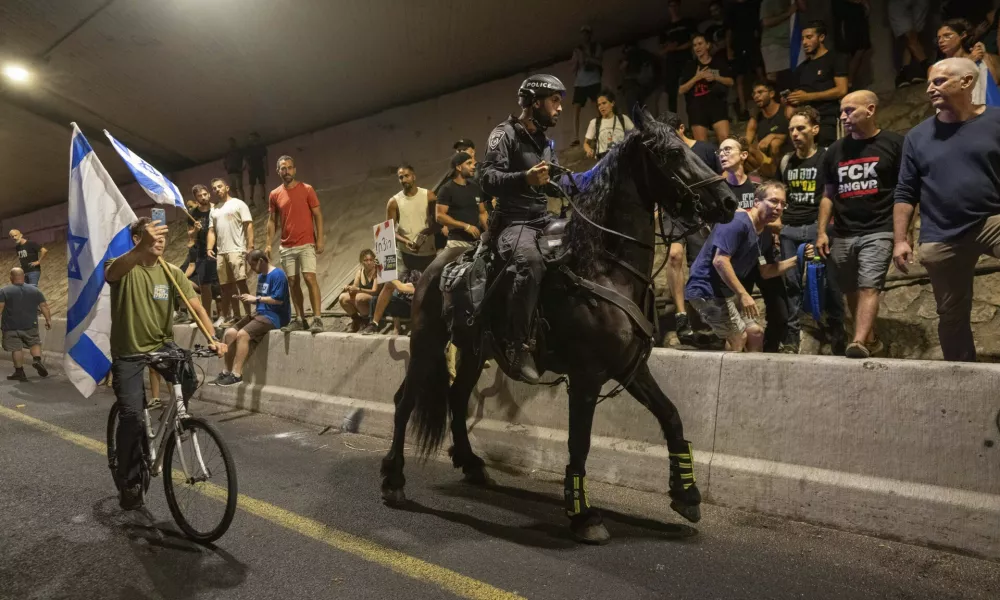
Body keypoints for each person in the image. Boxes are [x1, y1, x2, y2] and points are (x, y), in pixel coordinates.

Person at [105, 217, 224, 510]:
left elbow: (196, 306)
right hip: (129, 351)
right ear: (137, 239)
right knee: (132, 416)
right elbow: (111, 274)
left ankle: (172, 422)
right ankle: (129, 479)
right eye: (152, 236)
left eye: (162, 237)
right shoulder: (123, 267)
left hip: (161, 345)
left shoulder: (171, 273)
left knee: (189, 378)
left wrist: (214, 337)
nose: (160, 241)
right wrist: (139, 249)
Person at [893, 58, 1000, 362]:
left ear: (967, 82)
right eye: (929, 82)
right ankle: (963, 376)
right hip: (942, 231)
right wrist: (901, 239)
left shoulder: (995, 121)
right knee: (951, 314)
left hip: (992, 219)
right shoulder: (917, 136)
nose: (930, 89)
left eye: (939, 81)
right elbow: (905, 192)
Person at [480, 74, 565, 383]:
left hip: (543, 220)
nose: (559, 109)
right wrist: (524, 178)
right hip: (513, 224)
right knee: (530, 262)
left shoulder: (545, 142)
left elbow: (555, 182)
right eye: (555, 101)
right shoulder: (503, 134)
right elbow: (487, 179)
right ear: (535, 102)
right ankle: (517, 346)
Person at [816, 90, 903, 358]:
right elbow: (828, 195)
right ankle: (871, 338)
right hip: (842, 231)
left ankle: (858, 341)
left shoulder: (894, 144)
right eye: (842, 111)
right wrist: (821, 231)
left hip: (879, 228)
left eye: (850, 110)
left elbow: (905, 193)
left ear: (871, 109)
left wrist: (903, 235)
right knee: (851, 288)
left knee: (869, 284)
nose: (843, 116)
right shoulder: (834, 151)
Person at [686, 181, 808, 351]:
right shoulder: (737, 222)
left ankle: (753, 377)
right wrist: (743, 295)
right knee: (739, 337)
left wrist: (798, 259)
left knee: (756, 334)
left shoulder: (764, 234)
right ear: (756, 202)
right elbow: (720, 261)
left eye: (782, 203)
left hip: (724, 293)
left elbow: (765, 271)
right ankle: (728, 377)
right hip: (706, 290)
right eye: (773, 201)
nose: (779, 207)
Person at [777, 107, 846, 352]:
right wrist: (780, 228)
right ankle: (792, 337)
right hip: (791, 228)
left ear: (815, 130)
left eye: (801, 128)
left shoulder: (827, 157)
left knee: (830, 281)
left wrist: (826, 228)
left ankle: (838, 331)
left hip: (819, 227)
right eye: (792, 129)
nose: (795, 134)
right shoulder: (786, 160)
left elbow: (834, 193)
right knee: (791, 285)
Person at [721, 136, 792, 351]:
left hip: (764, 255)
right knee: (740, 321)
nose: (722, 154)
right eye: (720, 151)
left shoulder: (757, 186)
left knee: (780, 313)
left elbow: (776, 219)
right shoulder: (719, 190)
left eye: (727, 150)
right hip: (738, 261)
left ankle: (768, 354)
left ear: (743, 155)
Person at [663, 115, 721, 343]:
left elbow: (720, 177)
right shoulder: (666, 155)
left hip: (700, 213)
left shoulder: (705, 149)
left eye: (671, 133)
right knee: (674, 255)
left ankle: (706, 316)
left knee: (698, 264)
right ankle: (680, 315)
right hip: (675, 213)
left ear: (681, 128)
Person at [266, 155, 325, 334]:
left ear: (295, 169)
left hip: (306, 242)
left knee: (309, 278)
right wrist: (268, 243)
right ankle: (300, 319)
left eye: (290, 168)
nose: (287, 171)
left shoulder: (307, 189)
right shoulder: (275, 194)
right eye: (283, 168)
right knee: (292, 281)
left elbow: (318, 215)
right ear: (278, 171)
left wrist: (320, 238)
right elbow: (271, 220)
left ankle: (317, 318)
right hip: (286, 245)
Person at [215, 250, 290, 386]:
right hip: (260, 313)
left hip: (274, 316)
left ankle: (237, 374)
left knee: (243, 334)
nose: (251, 268)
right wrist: (248, 299)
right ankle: (226, 371)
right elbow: (261, 299)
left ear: (261, 261)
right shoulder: (261, 276)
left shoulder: (278, 275)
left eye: (252, 265)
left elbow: (278, 300)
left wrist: (256, 298)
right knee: (230, 333)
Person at [786, 21, 850, 147]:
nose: (804, 42)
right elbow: (794, 102)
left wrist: (808, 97)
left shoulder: (835, 58)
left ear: (821, 37)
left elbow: (842, 90)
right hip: (806, 124)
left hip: (828, 120)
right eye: (802, 38)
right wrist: (790, 103)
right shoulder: (800, 69)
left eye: (809, 37)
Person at [207, 178, 254, 325]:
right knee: (227, 287)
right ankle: (237, 316)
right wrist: (209, 247)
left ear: (227, 187)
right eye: (214, 188)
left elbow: (248, 225)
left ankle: (249, 315)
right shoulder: (214, 210)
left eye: (220, 186)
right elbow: (211, 231)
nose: (217, 190)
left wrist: (250, 246)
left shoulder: (238, 204)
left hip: (236, 249)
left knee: (241, 283)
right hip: (221, 252)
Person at [678, 34, 734, 142]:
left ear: (708, 45)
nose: (697, 47)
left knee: (725, 140)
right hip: (697, 108)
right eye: (694, 45)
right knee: (702, 145)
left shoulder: (718, 62)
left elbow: (730, 82)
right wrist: (697, 77)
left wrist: (715, 77)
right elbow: (681, 90)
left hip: (717, 105)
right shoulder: (691, 66)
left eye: (700, 44)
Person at [0, 268, 51, 381]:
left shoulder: (4, 291)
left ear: (11, 277)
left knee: (16, 348)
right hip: (30, 324)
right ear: (23, 276)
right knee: (34, 342)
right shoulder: (35, 290)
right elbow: (44, 306)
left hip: (11, 326)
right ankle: (37, 360)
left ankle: (20, 372)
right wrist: (48, 320)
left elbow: (0, 307)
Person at [387, 165, 438, 276]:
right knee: (393, 286)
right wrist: (406, 241)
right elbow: (388, 231)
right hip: (404, 253)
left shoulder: (428, 195)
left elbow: (437, 222)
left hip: (427, 251)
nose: (404, 180)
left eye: (407, 176)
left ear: (413, 177)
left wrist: (424, 234)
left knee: (428, 286)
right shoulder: (394, 202)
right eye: (401, 177)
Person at [436, 152, 489, 250]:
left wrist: (489, 233)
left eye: (473, 163)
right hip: (456, 243)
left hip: (476, 243)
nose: (473, 167)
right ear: (459, 167)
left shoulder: (475, 187)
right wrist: (466, 226)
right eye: (469, 163)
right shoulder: (447, 189)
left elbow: (482, 212)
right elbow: (439, 216)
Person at [187, 184, 224, 326]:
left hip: (219, 250)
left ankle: (222, 315)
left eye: (204, 194)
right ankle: (206, 316)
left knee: (218, 284)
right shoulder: (193, 213)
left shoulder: (217, 208)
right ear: (195, 198)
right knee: (204, 285)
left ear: (208, 194)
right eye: (199, 196)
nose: (203, 197)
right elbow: (190, 235)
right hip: (202, 252)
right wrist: (195, 230)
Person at [936, 19, 992, 105]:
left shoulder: (978, 57)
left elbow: (992, 84)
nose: (940, 41)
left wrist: (984, 54)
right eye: (939, 38)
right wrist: (969, 62)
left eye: (947, 35)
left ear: (962, 35)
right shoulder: (938, 67)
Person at [726, 0, 764, 120]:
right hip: (738, 45)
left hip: (752, 43)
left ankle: (768, 99)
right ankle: (743, 108)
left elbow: (759, 26)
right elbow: (729, 30)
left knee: (759, 71)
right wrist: (728, 49)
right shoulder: (731, 8)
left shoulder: (752, 5)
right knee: (740, 77)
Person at [660, 0, 700, 114]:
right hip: (671, 63)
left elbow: (694, 40)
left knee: (690, 89)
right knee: (671, 92)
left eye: (675, 5)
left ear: (679, 6)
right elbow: (661, 50)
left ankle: (694, 122)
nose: (673, 8)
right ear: (668, 8)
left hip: (686, 59)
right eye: (671, 6)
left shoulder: (688, 22)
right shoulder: (665, 28)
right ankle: (674, 125)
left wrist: (677, 48)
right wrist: (669, 48)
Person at [744, 81, 791, 175]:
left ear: (771, 94)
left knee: (775, 143)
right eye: (754, 94)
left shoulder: (785, 111)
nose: (756, 96)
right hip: (767, 162)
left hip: (788, 156)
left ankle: (780, 177)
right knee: (745, 151)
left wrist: (772, 136)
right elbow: (746, 142)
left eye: (760, 92)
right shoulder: (756, 119)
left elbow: (793, 136)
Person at [570, 25, 604, 147]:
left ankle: (600, 133)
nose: (585, 36)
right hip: (580, 82)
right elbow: (573, 67)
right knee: (576, 108)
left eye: (587, 33)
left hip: (594, 80)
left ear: (590, 35)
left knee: (597, 106)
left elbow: (599, 61)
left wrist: (587, 58)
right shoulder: (577, 49)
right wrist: (577, 60)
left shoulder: (596, 47)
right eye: (583, 33)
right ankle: (575, 137)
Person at [361, 269, 421, 336]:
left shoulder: (422, 275)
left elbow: (401, 287)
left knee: (391, 288)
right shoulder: (404, 271)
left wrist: (390, 278)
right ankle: (373, 324)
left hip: (414, 307)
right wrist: (383, 273)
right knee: (374, 299)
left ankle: (403, 326)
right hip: (404, 302)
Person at [583, 90, 636, 159]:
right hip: (603, 162)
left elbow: (636, 135)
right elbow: (586, 143)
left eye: (604, 103)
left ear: (612, 103)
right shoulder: (594, 122)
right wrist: (589, 150)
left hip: (621, 160)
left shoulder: (623, 119)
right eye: (599, 105)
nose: (601, 107)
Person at [760, 0, 802, 88]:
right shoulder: (768, 2)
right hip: (774, 44)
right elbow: (766, 22)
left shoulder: (791, 2)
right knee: (777, 79)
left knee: (789, 78)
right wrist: (787, 13)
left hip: (790, 44)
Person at [832, 0, 873, 88]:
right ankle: (846, 85)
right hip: (846, 18)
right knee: (846, 54)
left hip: (859, 17)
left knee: (862, 50)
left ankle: (850, 84)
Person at [339, 249, 380, 332]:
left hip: (375, 300)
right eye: (366, 260)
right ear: (362, 261)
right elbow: (355, 286)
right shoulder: (360, 272)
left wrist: (358, 289)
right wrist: (349, 288)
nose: (369, 262)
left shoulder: (377, 272)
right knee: (342, 297)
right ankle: (356, 320)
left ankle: (366, 320)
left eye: (371, 260)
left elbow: (375, 291)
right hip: (362, 298)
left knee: (359, 297)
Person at [618, 41, 661, 116]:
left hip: (632, 86)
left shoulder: (630, 54)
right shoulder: (645, 53)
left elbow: (622, 67)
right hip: (645, 86)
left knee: (633, 110)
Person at [245, 132, 268, 208]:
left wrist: (266, 168)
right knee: (251, 184)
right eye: (250, 137)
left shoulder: (262, 147)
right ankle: (251, 201)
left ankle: (263, 200)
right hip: (252, 168)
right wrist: (248, 167)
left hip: (260, 167)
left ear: (257, 137)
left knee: (262, 184)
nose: (252, 139)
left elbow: (265, 158)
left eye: (253, 137)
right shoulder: (248, 147)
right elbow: (246, 159)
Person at [222, 137, 245, 202]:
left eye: (231, 142)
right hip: (231, 171)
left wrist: (243, 167)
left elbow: (244, 159)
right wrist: (226, 167)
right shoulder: (227, 152)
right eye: (229, 142)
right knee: (233, 188)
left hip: (237, 170)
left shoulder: (238, 150)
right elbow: (224, 161)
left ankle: (243, 200)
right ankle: (238, 200)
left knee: (239, 187)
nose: (230, 143)